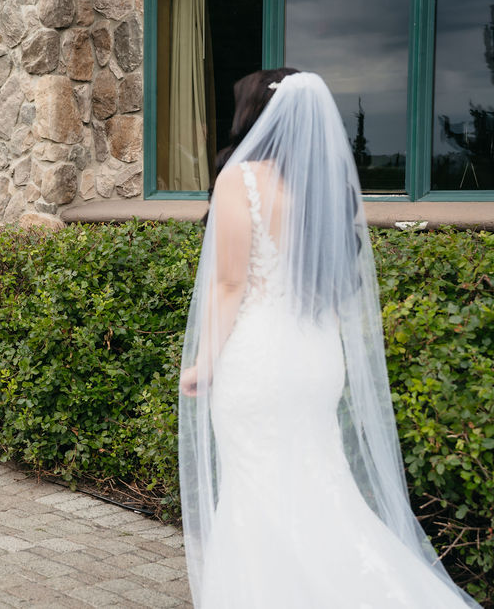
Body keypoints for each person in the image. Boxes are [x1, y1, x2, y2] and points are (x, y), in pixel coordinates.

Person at [177, 71, 479, 607]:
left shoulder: (241, 180)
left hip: (260, 358)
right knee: (318, 482)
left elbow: (229, 284)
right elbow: (335, 285)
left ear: (256, 116)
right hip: (317, 357)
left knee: (258, 486)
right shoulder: (330, 187)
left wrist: (204, 361)